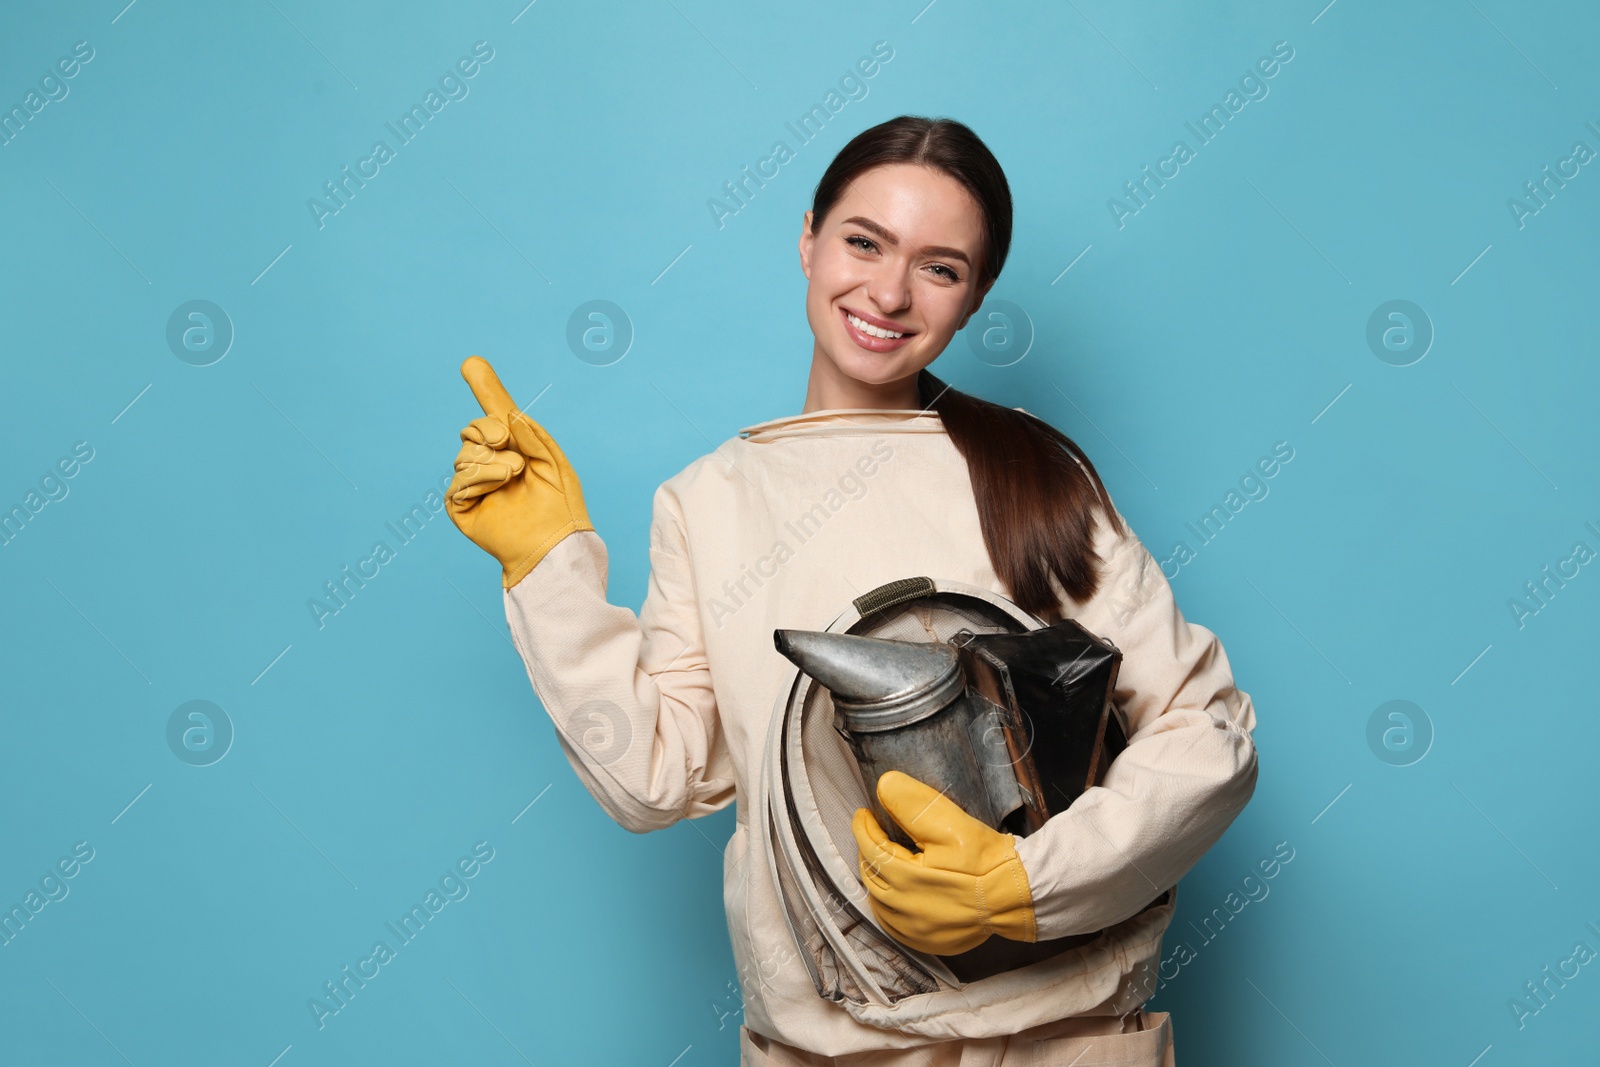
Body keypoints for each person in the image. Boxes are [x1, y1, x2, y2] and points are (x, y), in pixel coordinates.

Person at [444, 115, 1258, 1066]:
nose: (889, 290)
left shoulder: (1036, 476)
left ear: (975, 295)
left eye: (940, 267)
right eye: (863, 242)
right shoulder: (710, 501)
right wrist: (547, 570)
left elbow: (1205, 732)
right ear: (808, 239)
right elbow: (657, 775)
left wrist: (1021, 881)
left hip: (1068, 1043)